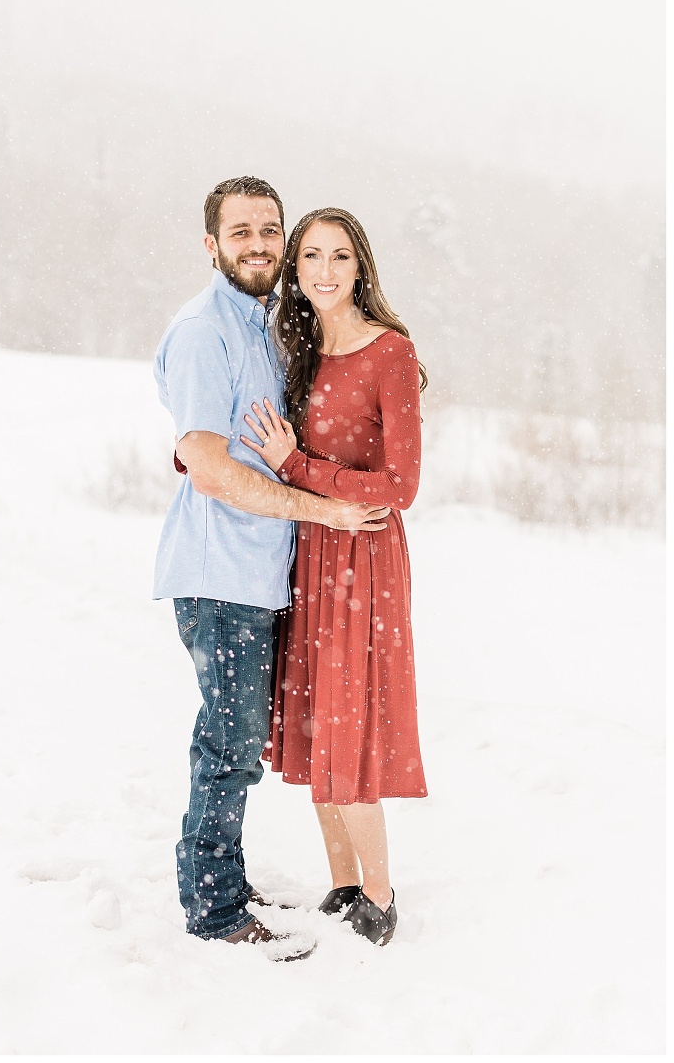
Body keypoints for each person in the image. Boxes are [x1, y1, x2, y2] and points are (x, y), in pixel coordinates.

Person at [153, 178, 390, 960]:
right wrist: (326, 512)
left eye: (269, 230)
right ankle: (214, 909)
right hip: (221, 576)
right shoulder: (202, 330)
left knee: (240, 742)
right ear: (211, 243)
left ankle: (218, 876)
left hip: (264, 575)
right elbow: (213, 467)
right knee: (229, 743)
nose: (259, 244)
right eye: (241, 231)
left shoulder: (265, 323)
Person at [240, 206, 428, 948]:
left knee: (350, 718)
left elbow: (400, 485)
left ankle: (380, 900)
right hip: (312, 554)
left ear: (361, 268)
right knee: (319, 715)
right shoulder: (301, 349)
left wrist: (301, 470)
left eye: (339, 257)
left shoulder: (390, 353)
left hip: (366, 555)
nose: (323, 272)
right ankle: (344, 882)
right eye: (310, 257)